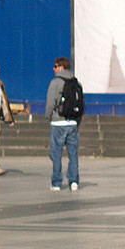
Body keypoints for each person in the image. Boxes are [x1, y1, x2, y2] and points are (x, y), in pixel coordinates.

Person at [46, 56, 80, 191]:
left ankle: (56, 182)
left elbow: (50, 103)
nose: (54, 69)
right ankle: (74, 181)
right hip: (72, 123)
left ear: (61, 67)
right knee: (73, 154)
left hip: (58, 123)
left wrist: (49, 118)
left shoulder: (55, 83)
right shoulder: (76, 83)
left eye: (55, 66)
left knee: (56, 154)